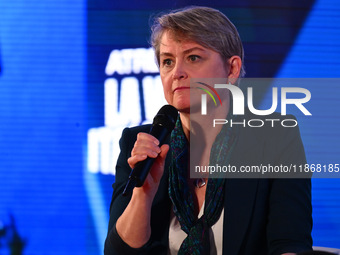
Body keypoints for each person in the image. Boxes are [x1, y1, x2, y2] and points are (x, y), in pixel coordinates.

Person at [104, 6, 312, 255]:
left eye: (193, 58)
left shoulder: (274, 137)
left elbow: (290, 244)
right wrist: (143, 194)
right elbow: (118, 252)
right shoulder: (142, 143)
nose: (177, 73)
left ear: (232, 69)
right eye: (167, 61)